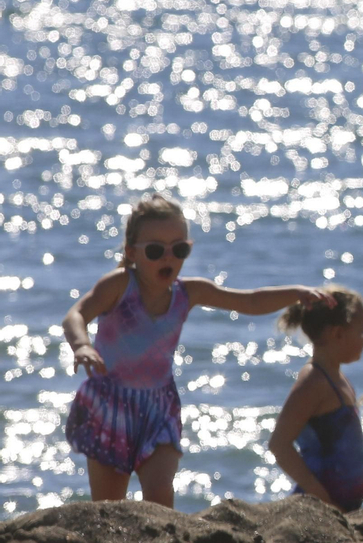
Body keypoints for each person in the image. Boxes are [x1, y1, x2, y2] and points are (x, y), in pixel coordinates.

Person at [62, 194, 329, 507]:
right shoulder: (120, 285)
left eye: (179, 249)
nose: (168, 258)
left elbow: (249, 300)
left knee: (160, 495)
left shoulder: (188, 293)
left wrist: (295, 293)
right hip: (111, 406)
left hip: (159, 408)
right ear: (132, 252)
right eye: (155, 250)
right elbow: (76, 314)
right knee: (109, 507)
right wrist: (82, 345)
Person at [268, 286, 363, 511]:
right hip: (319, 507)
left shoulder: (338, 377)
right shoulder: (313, 382)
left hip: (346, 507)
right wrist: (323, 499)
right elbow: (279, 444)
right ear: (337, 333)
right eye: (361, 330)